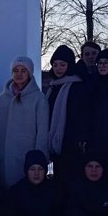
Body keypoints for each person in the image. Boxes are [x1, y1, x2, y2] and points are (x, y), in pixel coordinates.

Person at [0, 56, 49, 188]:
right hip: (4, 157)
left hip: (27, 157)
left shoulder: (39, 99)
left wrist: (39, 159)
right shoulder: (1, 99)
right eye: (16, 70)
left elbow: (42, 131)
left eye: (23, 70)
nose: (19, 74)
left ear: (29, 73)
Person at [44, 45, 89, 185]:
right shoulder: (52, 86)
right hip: (56, 144)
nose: (58, 68)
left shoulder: (77, 86)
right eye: (55, 65)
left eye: (62, 65)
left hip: (71, 144)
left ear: (69, 65)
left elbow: (81, 116)